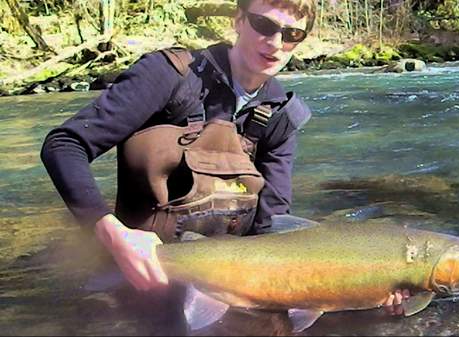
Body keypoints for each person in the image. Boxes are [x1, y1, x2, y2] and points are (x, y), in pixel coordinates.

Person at [41, 0, 410, 317]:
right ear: (238, 20)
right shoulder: (168, 76)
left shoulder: (281, 116)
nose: (276, 42)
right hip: (134, 268)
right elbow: (64, 144)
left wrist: (363, 288)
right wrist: (111, 232)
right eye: (264, 25)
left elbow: (271, 225)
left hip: (223, 279)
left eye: (292, 34)